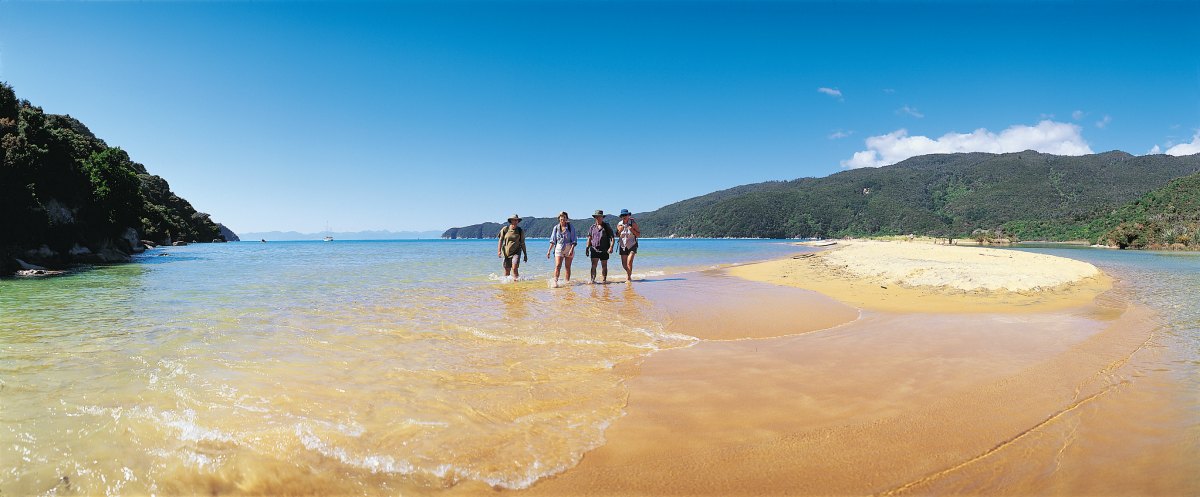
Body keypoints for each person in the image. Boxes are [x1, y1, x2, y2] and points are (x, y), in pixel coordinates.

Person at [545, 211, 577, 287]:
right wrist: (549, 251)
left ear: (566, 219)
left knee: (567, 267)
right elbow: (552, 240)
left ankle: (567, 283)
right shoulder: (556, 228)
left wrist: (571, 250)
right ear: (559, 219)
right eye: (561, 219)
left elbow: (574, 240)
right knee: (558, 265)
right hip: (559, 247)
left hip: (569, 247)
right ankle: (555, 282)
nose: (562, 220)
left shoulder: (570, 227)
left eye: (564, 218)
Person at [585, 210, 615, 284]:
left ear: (602, 217)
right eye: (597, 216)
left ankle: (604, 280)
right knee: (593, 265)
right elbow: (589, 238)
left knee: (604, 265)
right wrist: (587, 248)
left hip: (605, 249)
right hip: (594, 249)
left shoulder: (606, 226)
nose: (598, 218)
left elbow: (612, 238)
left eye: (600, 217)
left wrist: (611, 247)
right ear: (595, 217)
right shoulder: (592, 227)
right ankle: (592, 280)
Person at [497, 214, 527, 280]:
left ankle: (516, 285)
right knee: (507, 271)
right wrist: (499, 251)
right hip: (506, 253)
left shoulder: (520, 230)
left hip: (516, 252)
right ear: (511, 221)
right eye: (514, 220)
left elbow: (522, 243)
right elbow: (500, 240)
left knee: (514, 268)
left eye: (517, 220)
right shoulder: (505, 229)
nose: (516, 221)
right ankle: (507, 287)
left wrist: (525, 254)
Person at [616, 208, 640, 283]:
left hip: (632, 244)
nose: (624, 216)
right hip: (623, 245)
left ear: (628, 215)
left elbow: (638, 234)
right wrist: (619, 231)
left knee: (629, 262)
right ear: (621, 216)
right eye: (623, 215)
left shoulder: (633, 223)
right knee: (624, 264)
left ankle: (628, 278)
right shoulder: (619, 224)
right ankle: (629, 273)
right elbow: (616, 235)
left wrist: (632, 230)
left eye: (625, 215)